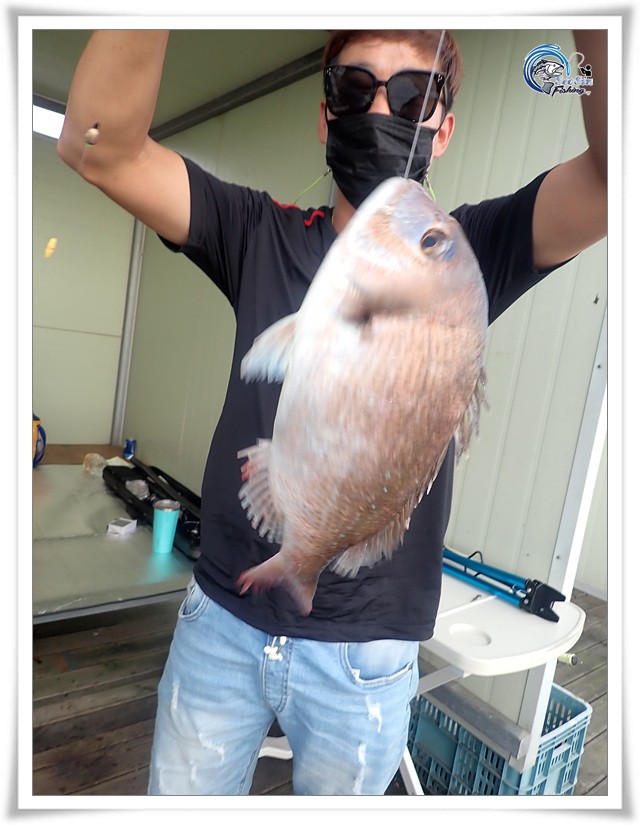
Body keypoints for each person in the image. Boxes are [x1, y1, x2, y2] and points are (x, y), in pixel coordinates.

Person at [57, 28, 607, 795]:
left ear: (443, 127)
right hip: (223, 616)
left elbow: (617, 177)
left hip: (367, 652)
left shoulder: (464, 250)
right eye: (354, 88)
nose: (380, 111)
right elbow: (98, 146)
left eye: (411, 96)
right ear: (325, 117)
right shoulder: (259, 233)